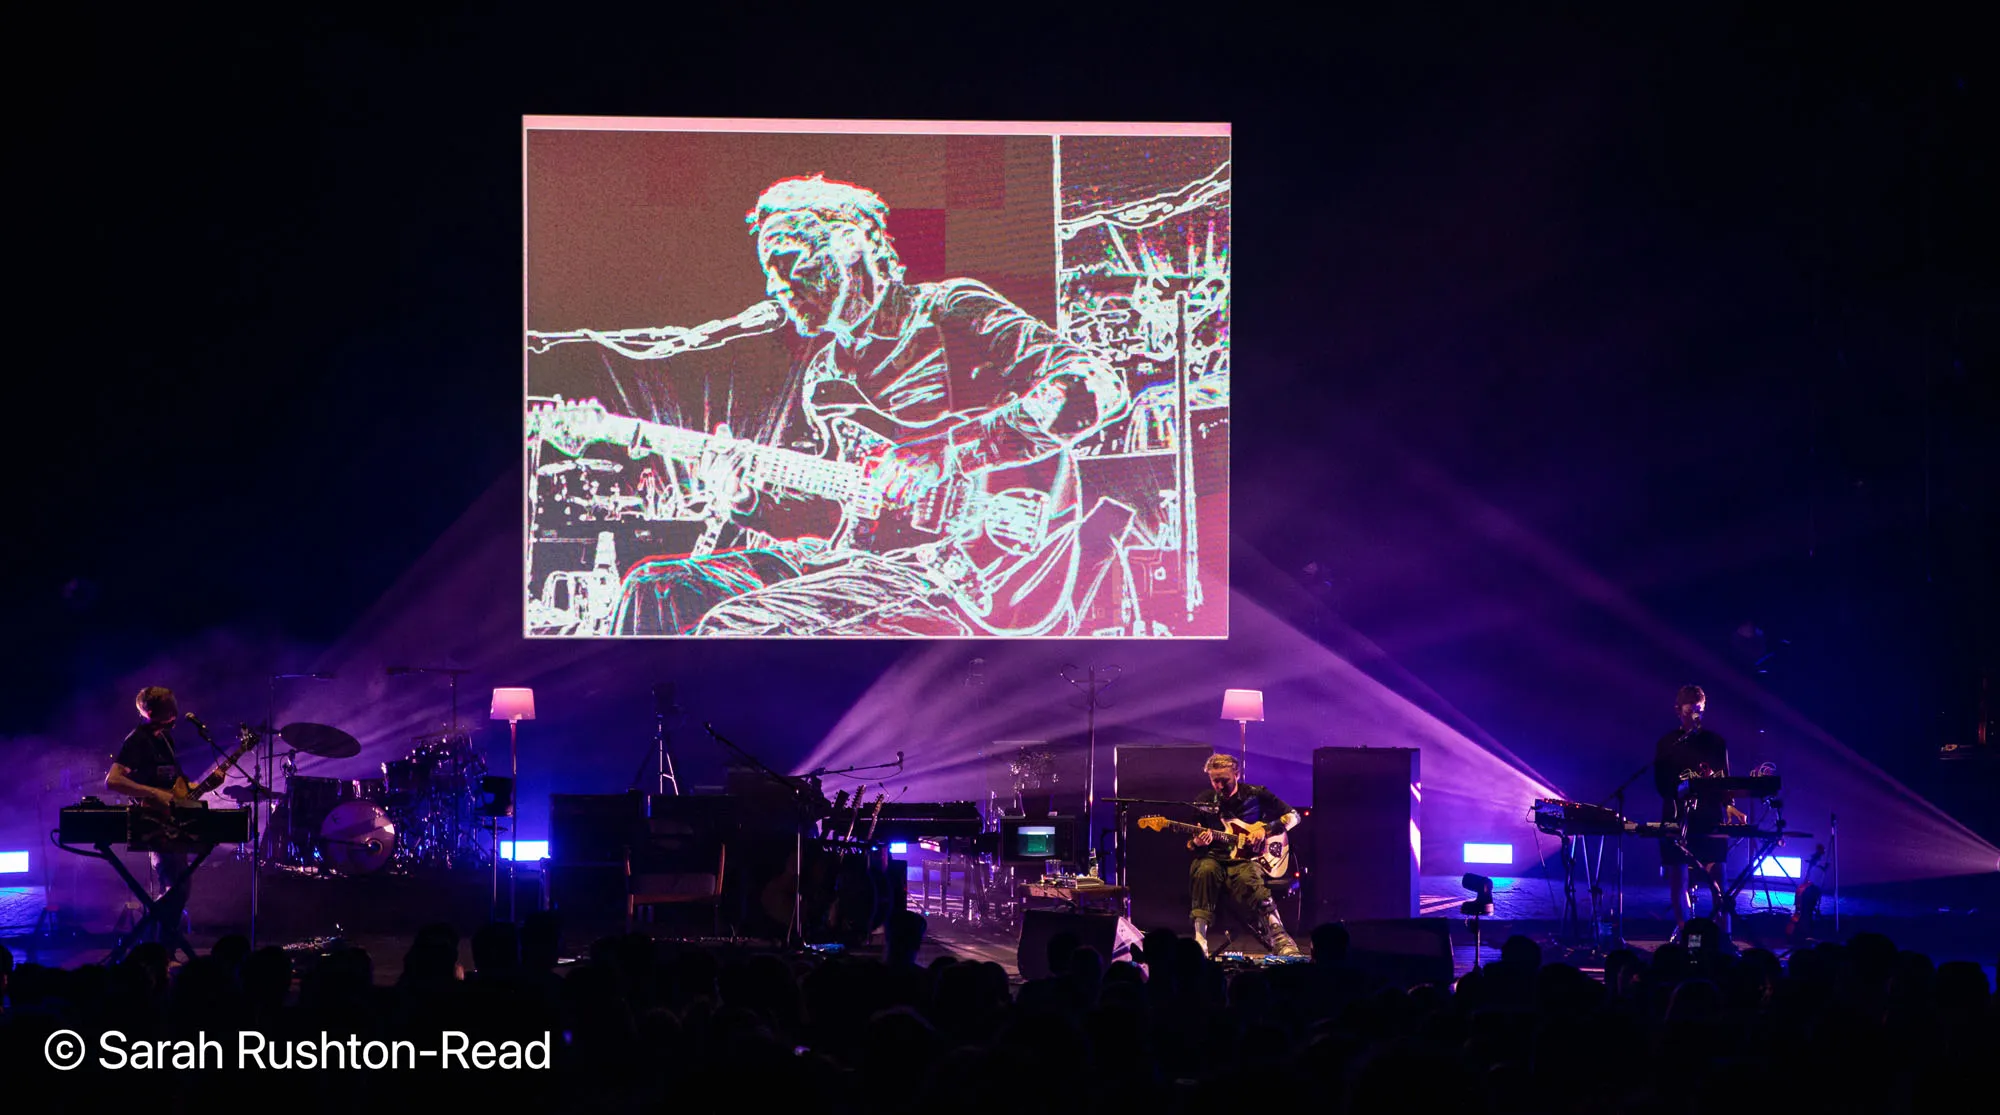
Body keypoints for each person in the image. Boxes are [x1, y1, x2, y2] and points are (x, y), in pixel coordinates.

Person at [598, 174, 1132, 637]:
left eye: (788, 262)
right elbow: (842, 509)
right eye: (768, 271)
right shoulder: (824, 374)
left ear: (850, 243)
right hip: (856, 561)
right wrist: (746, 500)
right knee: (654, 589)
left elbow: (1094, 388)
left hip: (965, 570)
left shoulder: (950, 313)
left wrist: (948, 453)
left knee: (736, 628)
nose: (774, 287)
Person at [105, 685, 195, 944]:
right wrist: (152, 793)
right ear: (152, 711)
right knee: (175, 889)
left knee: (180, 889)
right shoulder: (137, 740)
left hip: (172, 822)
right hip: (153, 824)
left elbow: (172, 782)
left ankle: (158, 950)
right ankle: (152, 949)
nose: (175, 714)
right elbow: (113, 781)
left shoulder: (165, 737)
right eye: (169, 710)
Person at [1188, 753, 1302, 957]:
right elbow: (1192, 845)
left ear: (1237, 774)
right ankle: (1200, 941)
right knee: (1203, 869)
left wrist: (1265, 830)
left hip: (1247, 859)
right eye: (1215, 781)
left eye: (1225, 780)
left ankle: (1280, 937)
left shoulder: (1256, 794)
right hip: (1214, 858)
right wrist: (1196, 842)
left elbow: (1294, 816)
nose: (1220, 786)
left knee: (1248, 878)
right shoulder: (1204, 801)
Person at [1652, 684, 1737, 940]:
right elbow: (1661, 785)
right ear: (1679, 711)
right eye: (1691, 711)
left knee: (1718, 877)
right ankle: (1686, 934)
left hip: (1710, 817)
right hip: (1678, 817)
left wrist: (1730, 805)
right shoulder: (1667, 743)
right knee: (1678, 877)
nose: (1696, 716)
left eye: (1700, 710)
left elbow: (1726, 780)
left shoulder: (1715, 742)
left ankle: (1724, 937)